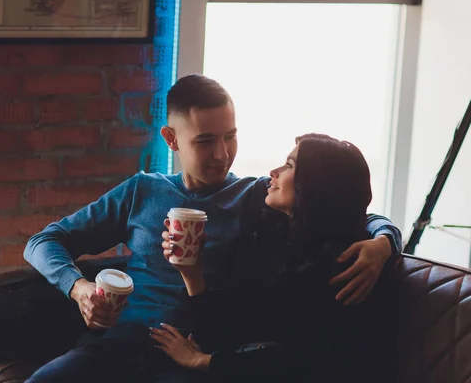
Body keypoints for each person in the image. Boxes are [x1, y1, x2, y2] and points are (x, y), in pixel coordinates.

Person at [23, 75, 402, 382]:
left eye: (230, 136)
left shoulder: (257, 195)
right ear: (171, 139)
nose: (221, 154)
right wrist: (79, 288)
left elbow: (341, 209)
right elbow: (45, 240)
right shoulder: (143, 190)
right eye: (205, 141)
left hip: (199, 351)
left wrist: (385, 241)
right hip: (119, 341)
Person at [151, 134, 398, 382]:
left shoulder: (347, 262)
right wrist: (191, 272)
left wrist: (204, 362)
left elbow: (308, 356)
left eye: (289, 165)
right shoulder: (280, 234)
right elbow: (227, 331)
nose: (274, 171)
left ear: (315, 185)